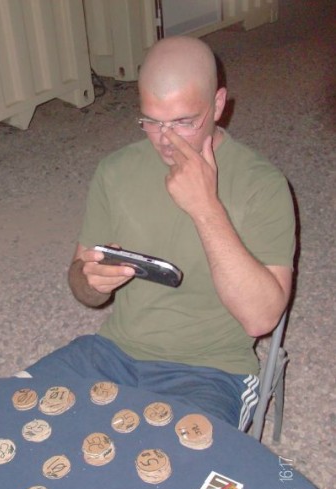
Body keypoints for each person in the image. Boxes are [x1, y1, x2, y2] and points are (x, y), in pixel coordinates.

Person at [30, 35, 296, 430]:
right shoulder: (114, 171)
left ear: (219, 105)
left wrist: (206, 207)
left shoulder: (263, 185)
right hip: (111, 354)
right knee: (3, 411)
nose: (165, 139)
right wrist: (92, 280)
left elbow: (261, 320)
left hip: (211, 373)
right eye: (151, 121)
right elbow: (81, 284)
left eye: (184, 122)